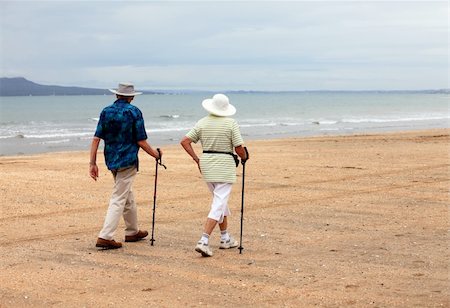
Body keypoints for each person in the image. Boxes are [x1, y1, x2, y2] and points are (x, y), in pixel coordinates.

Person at [89, 82, 161, 249]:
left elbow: (96, 138)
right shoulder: (134, 112)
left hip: (111, 159)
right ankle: (105, 236)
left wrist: (92, 163)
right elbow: (141, 141)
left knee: (126, 194)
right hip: (127, 160)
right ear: (132, 97)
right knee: (119, 197)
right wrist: (155, 155)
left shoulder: (106, 111)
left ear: (116, 95)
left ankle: (132, 231)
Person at [181, 93, 248, 257]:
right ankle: (203, 240)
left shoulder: (202, 122)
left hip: (207, 165)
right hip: (224, 166)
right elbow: (239, 147)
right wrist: (244, 157)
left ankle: (225, 238)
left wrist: (197, 159)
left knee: (220, 201)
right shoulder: (231, 123)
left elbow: (185, 141)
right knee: (219, 203)